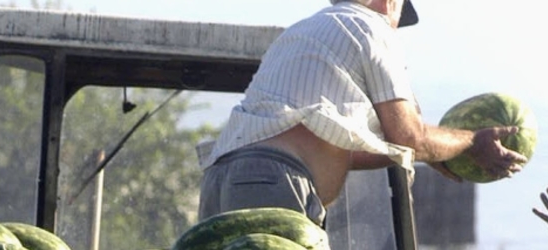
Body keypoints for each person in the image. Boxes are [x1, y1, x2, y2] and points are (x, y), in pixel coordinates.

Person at [198, 0, 526, 225]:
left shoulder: (302, 33)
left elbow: (335, 147)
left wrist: (426, 153)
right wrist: (472, 142)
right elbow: (410, 136)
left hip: (221, 179)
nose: (397, 25)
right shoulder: (372, 27)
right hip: (274, 182)